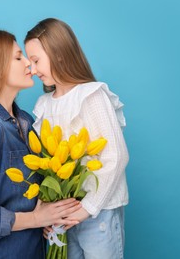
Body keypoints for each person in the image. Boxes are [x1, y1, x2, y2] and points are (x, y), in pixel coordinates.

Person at [0, 29, 81, 259]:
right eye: (18, 57)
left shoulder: (25, 120)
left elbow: (31, 193)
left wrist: (49, 214)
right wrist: (35, 218)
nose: (28, 64)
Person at [25, 18, 129, 259]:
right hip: (64, 216)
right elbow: (45, 164)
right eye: (29, 61)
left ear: (59, 53)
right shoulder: (43, 105)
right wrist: (48, 212)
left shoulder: (91, 95)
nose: (32, 69)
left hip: (98, 212)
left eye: (36, 60)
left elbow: (116, 155)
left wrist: (88, 207)